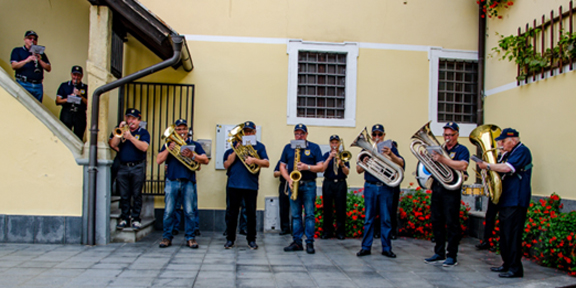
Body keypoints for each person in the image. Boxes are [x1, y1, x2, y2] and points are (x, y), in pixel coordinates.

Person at [477, 128, 532, 278]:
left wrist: (487, 165)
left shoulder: (522, 151)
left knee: (512, 235)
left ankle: (515, 268)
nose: (500, 144)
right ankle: (506, 263)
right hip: (506, 199)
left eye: (503, 141)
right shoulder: (508, 153)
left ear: (513, 141)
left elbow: (508, 168)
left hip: (516, 199)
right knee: (504, 234)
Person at [156, 119, 209, 249]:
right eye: (178, 129)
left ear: (188, 131)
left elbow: (205, 160)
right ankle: (166, 237)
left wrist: (192, 156)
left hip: (188, 181)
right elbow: (159, 160)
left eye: (184, 129)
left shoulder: (194, 144)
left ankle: (190, 238)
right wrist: (169, 148)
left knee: (190, 211)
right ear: (175, 131)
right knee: (169, 211)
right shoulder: (168, 144)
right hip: (172, 181)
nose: (181, 132)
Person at [424, 122, 469, 267]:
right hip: (437, 188)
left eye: (451, 135)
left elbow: (463, 165)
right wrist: (428, 158)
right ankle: (439, 252)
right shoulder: (440, 149)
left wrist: (442, 159)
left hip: (451, 190)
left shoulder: (462, 149)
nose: (448, 138)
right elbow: (429, 167)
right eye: (445, 135)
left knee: (452, 223)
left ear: (457, 135)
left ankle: (452, 255)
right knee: (436, 221)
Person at [356, 124, 404, 258]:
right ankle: (366, 247)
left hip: (385, 186)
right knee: (368, 219)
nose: (377, 137)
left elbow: (401, 163)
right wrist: (364, 162)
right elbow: (358, 170)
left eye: (380, 134)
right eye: (375, 135)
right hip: (370, 186)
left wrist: (391, 155)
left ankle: (387, 248)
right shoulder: (367, 148)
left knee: (386, 219)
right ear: (371, 136)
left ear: (384, 135)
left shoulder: (390, 147)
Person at [223, 121, 269, 249]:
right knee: (232, 213)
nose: (248, 133)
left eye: (250, 131)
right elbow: (226, 164)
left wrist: (254, 160)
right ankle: (230, 239)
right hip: (234, 184)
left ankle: (251, 240)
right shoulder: (234, 146)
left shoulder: (259, 147)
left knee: (251, 213)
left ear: (255, 132)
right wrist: (236, 150)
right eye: (246, 131)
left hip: (251, 185)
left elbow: (266, 163)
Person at [280, 123, 324, 254]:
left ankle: (309, 242)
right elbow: (282, 166)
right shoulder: (288, 147)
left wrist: (307, 167)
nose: (299, 136)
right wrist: (288, 179)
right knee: (295, 215)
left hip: (309, 184)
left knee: (309, 215)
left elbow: (321, 167)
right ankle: (297, 242)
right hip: (294, 184)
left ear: (306, 134)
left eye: (302, 133)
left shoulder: (314, 147)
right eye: (297, 133)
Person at [110, 109, 150, 230]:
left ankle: (136, 218)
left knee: (137, 194)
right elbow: (113, 144)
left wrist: (131, 137)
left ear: (139, 120)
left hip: (137, 166)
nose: (130, 121)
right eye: (128, 118)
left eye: (133, 118)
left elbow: (144, 147)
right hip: (123, 166)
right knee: (124, 194)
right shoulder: (121, 131)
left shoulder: (143, 132)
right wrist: (120, 131)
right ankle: (124, 217)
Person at [320, 135, 350, 240]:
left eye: (336, 143)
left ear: (339, 144)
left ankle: (340, 232)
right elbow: (322, 168)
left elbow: (347, 172)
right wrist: (329, 158)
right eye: (332, 143)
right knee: (327, 208)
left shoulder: (344, 155)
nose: (334, 145)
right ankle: (327, 231)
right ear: (329, 144)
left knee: (340, 208)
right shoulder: (325, 155)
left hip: (340, 183)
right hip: (328, 182)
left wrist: (341, 163)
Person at [10, 30, 51, 102]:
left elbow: (48, 68)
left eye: (35, 39)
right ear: (25, 39)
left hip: (37, 86)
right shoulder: (18, 51)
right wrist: (27, 60)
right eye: (30, 38)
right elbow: (14, 66)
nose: (32, 40)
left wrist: (39, 60)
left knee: (37, 108)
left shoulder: (41, 53)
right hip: (23, 83)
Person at [55, 65, 88, 140]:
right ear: (71, 74)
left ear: (82, 76)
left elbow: (90, 104)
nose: (76, 77)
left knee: (78, 137)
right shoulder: (64, 86)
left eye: (78, 75)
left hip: (80, 114)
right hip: (67, 112)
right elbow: (57, 101)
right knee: (64, 135)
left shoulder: (86, 87)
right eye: (74, 75)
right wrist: (69, 98)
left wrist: (81, 96)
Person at [274, 161, 291, 235]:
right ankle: (285, 228)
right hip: (284, 185)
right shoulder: (282, 161)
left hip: (296, 184)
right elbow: (275, 173)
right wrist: (283, 172)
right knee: (283, 207)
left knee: (296, 208)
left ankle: (296, 228)